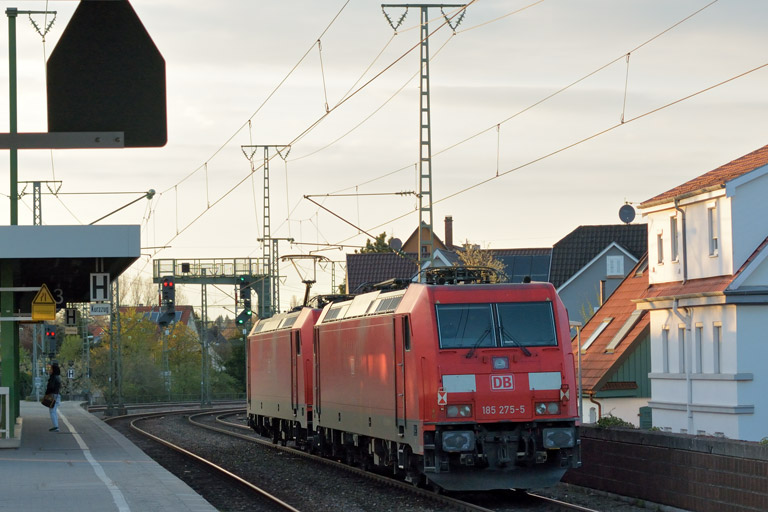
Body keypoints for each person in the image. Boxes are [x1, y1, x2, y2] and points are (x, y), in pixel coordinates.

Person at [45, 362, 62, 432]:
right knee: (54, 411)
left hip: (53, 395)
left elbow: (51, 387)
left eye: (50, 369)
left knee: (52, 411)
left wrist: (47, 393)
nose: (49, 371)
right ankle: (56, 426)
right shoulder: (58, 377)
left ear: (53, 370)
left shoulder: (53, 377)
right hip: (57, 395)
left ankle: (56, 426)